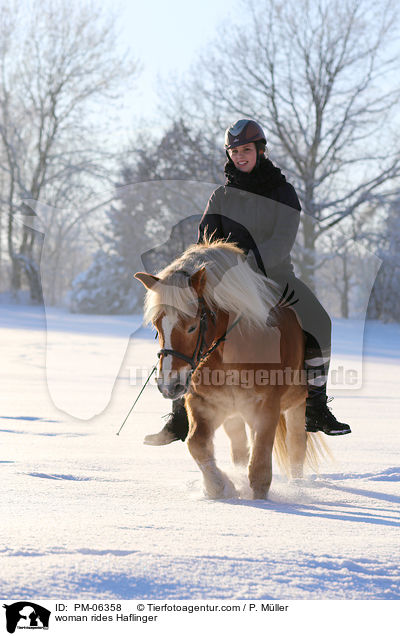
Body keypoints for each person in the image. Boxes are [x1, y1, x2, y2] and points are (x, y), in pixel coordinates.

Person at [144, 119, 351, 445]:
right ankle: (180, 414)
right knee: (185, 321)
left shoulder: (283, 192)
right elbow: (205, 242)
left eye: (246, 150)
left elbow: (282, 242)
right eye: (235, 151)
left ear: (260, 151)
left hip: (274, 278)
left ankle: (316, 404)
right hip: (223, 283)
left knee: (319, 321)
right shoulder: (221, 196)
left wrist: (245, 268)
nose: (240, 156)